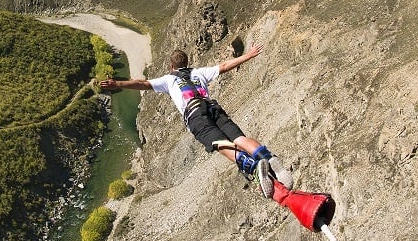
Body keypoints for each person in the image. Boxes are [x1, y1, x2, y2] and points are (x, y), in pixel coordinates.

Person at [99, 43, 293, 197]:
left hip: (195, 115)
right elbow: (225, 66)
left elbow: (142, 83)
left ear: (172, 66)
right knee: (239, 139)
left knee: (220, 144)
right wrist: (248, 55)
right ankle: (269, 158)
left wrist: (117, 83)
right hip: (213, 107)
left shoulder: (168, 79)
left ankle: (253, 168)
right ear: (187, 62)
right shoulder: (198, 72)